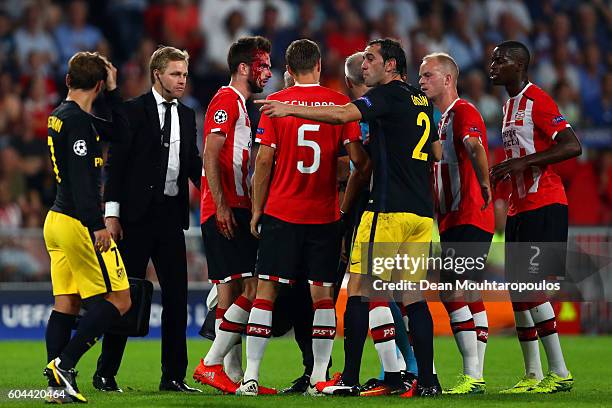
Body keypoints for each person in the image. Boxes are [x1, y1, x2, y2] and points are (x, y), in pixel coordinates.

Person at [257, 38, 439, 397]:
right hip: (421, 212)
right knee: (414, 297)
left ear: (391, 66)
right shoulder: (421, 99)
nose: (364, 65)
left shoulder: (386, 96)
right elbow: (435, 150)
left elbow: (342, 116)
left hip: (387, 210)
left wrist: (291, 109)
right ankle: (428, 382)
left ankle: (349, 379)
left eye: (371, 59)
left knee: (358, 291)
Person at [235, 38, 370, 396]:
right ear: (319, 66)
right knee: (322, 296)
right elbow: (359, 163)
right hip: (324, 215)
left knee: (266, 292)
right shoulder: (342, 105)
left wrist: (257, 208)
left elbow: (264, 161)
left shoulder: (278, 105)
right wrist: (342, 202)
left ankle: (250, 377)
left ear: (289, 70)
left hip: (282, 211)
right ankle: (318, 378)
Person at [95, 46, 202, 392]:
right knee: (127, 296)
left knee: (177, 299)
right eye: (175, 74)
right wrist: (112, 214)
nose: (182, 80)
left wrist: (220, 197)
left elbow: (192, 165)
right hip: (134, 220)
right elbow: (116, 166)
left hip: (171, 219)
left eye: (184, 74)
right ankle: (105, 373)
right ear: (157, 74)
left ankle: (173, 376)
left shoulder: (187, 116)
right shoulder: (131, 111)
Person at [489, 40, 580, 394]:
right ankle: (532, 375)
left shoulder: (537, 100)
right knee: (518, 293)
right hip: (519, 206)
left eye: (500, 60)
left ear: (519, 65)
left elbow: (573, 145)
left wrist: (523, 163)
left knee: (531, 289)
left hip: (545, 202)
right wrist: (507, 171)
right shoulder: (509, 104)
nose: (493, 65)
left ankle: (560, 372)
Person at [43, 51, 131, 404]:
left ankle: (55, 385)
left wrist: (109, 94)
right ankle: (65, 363)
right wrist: (97, 225)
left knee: (66, 302)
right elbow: (82, 182)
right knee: (121, 299)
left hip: (56, 221)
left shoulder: (62, 116)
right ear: (97, 84)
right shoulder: (80, 122)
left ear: (68, 81)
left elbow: (120, 133)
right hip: (79, 222)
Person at [193, 36, 275, 395]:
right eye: (262, 66)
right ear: (244, 68)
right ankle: (213, 366)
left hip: (236, 207)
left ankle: (233, 374)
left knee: (238, 287)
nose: (268, 73)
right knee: (242, 288)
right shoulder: (226, 101)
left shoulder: (241, 103)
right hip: (226, 208)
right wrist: (223, 205)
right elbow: (210, 153)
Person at [419, 52, 494, 394]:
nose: (422, 81)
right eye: (421, 76)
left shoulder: (463, 111)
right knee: (469, 291)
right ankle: (475, 374)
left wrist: (483, 183)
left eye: (428, 75)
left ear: (448, 79)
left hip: (468, 214)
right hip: (452, 217)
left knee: (451, 289)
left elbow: (474, 145)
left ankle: (472, 374)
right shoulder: (442, 118)